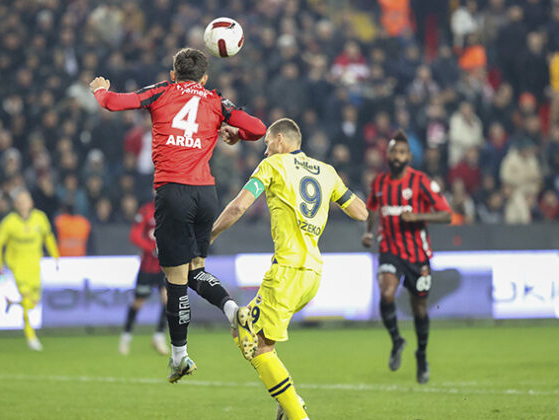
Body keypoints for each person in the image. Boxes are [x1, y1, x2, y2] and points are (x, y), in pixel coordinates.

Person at [90, 48, 267, 382]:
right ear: (204, 77)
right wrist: (236, 134)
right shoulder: (216, 100)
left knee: (175, 282)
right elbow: (258, 128)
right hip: (206, 195)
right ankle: (234, 311)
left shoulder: (161, 91)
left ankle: (179, 357)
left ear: (173, 73)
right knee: (196, 271)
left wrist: (99, 88)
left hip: (172, 193)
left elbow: (113, 103)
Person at [211, 119, 368, 420]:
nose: (265, 150)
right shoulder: (327, 172)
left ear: (281, 139)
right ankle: (290, 401)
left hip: (287, 269)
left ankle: (297, 412)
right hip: (313, 273)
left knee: (253, 343)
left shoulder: (273, 167)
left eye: (267, 142)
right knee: (247, 331)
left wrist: (209, 236)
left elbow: (238, 207)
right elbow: (360, 211)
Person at [362, 131, 452, 384]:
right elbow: (372, 209)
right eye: (393, 151)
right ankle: (396, 340)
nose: (397, 156)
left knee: (419, 309)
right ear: (388, 154)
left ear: (409, 157)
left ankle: (421, 355)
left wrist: (419, 217)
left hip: (417, 254)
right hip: (389, 248)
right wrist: (369, 233)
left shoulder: (422, 182)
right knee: (387, 292)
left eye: (402, 152)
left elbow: (446, 214)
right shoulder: (379, 183)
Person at [0, 190, 59, 351]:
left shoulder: (39, 218)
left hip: (35, 267)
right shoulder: (9, 223)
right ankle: (31, 336)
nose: (22, 204)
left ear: (31, 203)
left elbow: (48, 237)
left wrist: (56, 256)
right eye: (19, 201)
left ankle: (13, 303)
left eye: (25, 201)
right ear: (15, 205)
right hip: (18, 267)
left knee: (32, 303)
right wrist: (0, 264)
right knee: (27, 299)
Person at [119, 200, 168, 357]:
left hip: (165, 266)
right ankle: (126, 336)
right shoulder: (146, 210)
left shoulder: (172, 209)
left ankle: (159, 336)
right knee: (138, 303)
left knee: (168, 300)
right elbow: (134, 235)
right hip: (147, 266)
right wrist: (151, 248)